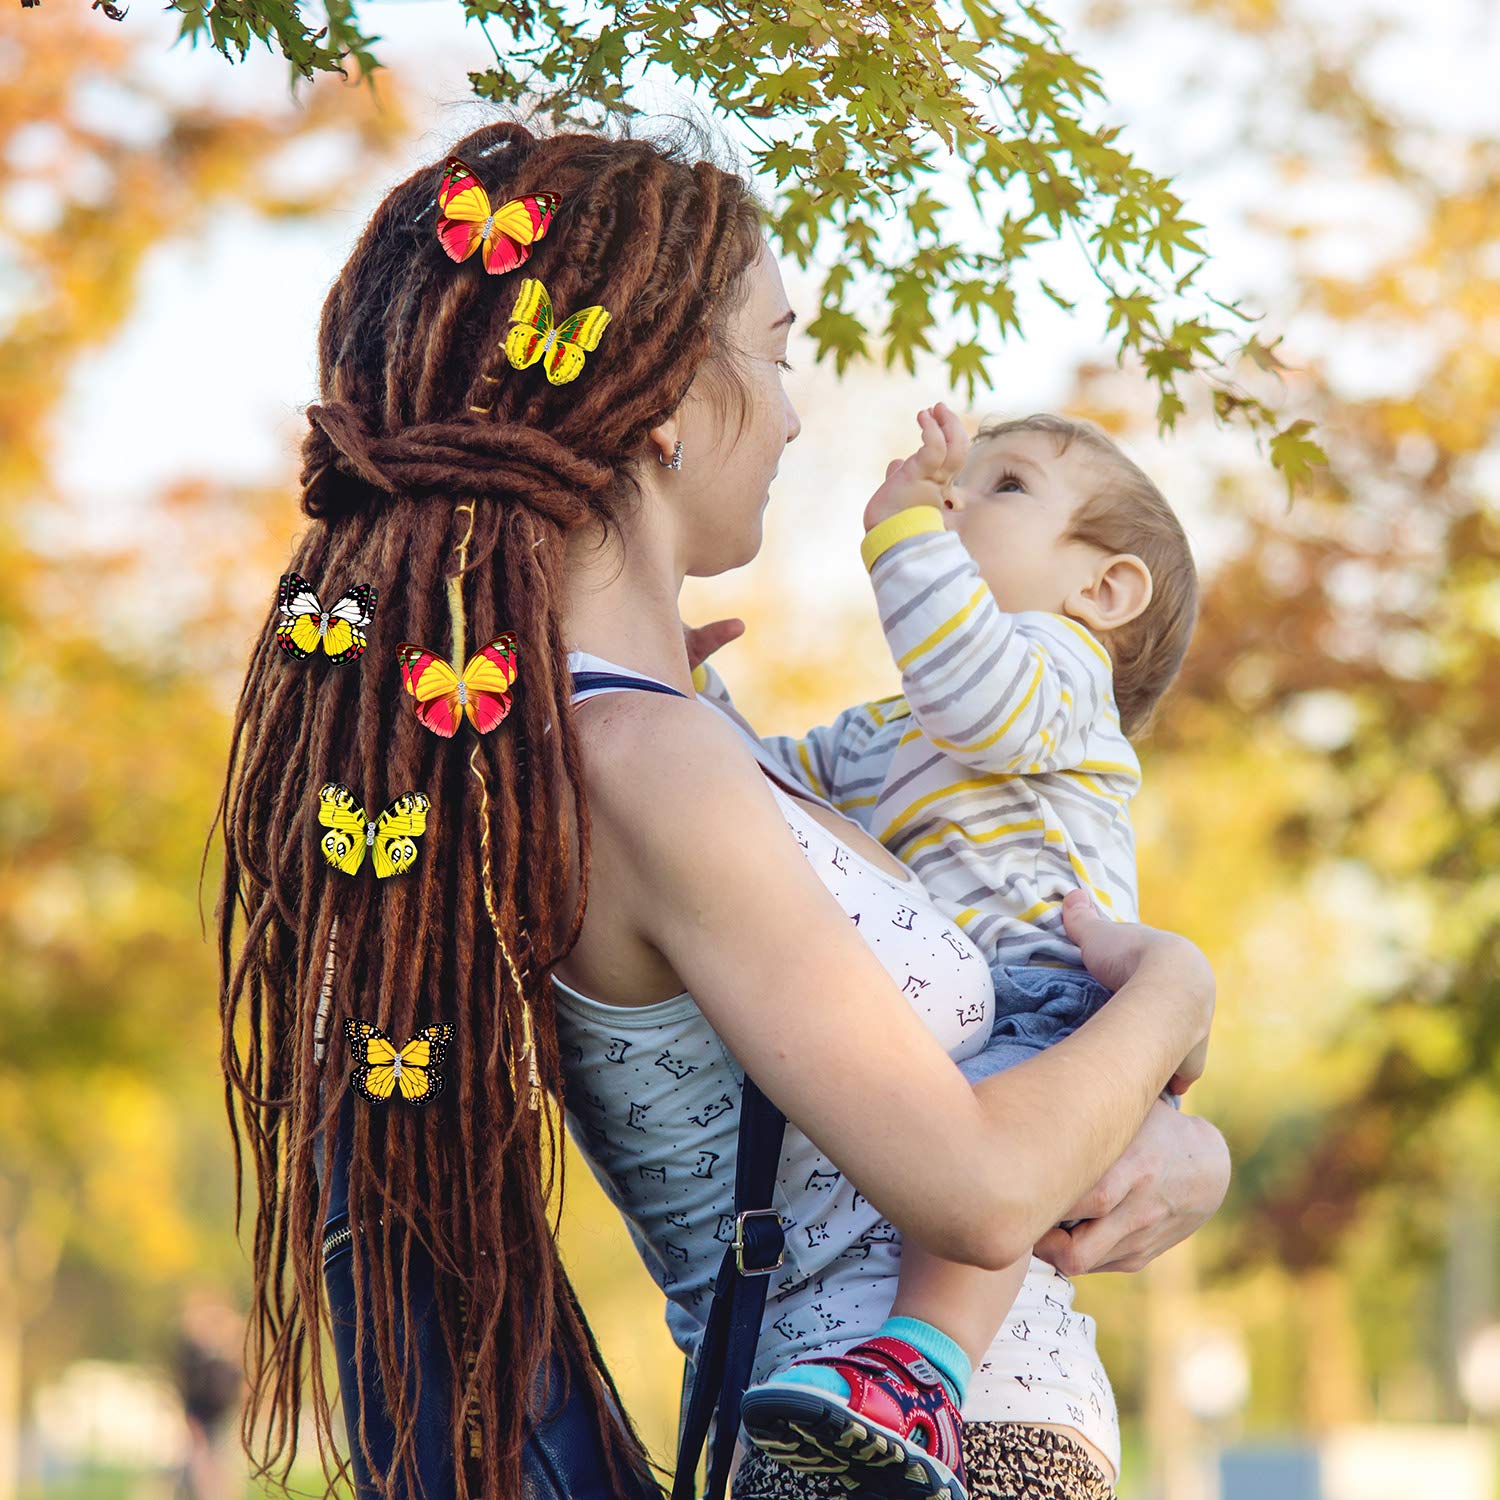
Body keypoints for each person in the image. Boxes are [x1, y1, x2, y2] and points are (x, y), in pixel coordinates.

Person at [217, 114, 1229, 1500]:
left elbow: (978, 1119)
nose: (802, 409)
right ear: (665, 401)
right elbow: (982, 1188)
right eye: (778, 346)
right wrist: (1175, 988)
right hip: (934, 1458)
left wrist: (1188, 1148)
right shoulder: (643, 761)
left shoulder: (661, 743)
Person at [687, 400, 1200, 1497]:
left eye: (1006, 487)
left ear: (1102, 590)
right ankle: (909, 1362)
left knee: (992, 1163)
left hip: (1052, 996)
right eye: (966, 483)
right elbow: (766, 793)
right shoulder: (891, 729)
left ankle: (924, 1364)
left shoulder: (1062, 678)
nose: (960, 494)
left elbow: (978, 695)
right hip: (952, 1010)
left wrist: (904, 532)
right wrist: (694, 698)